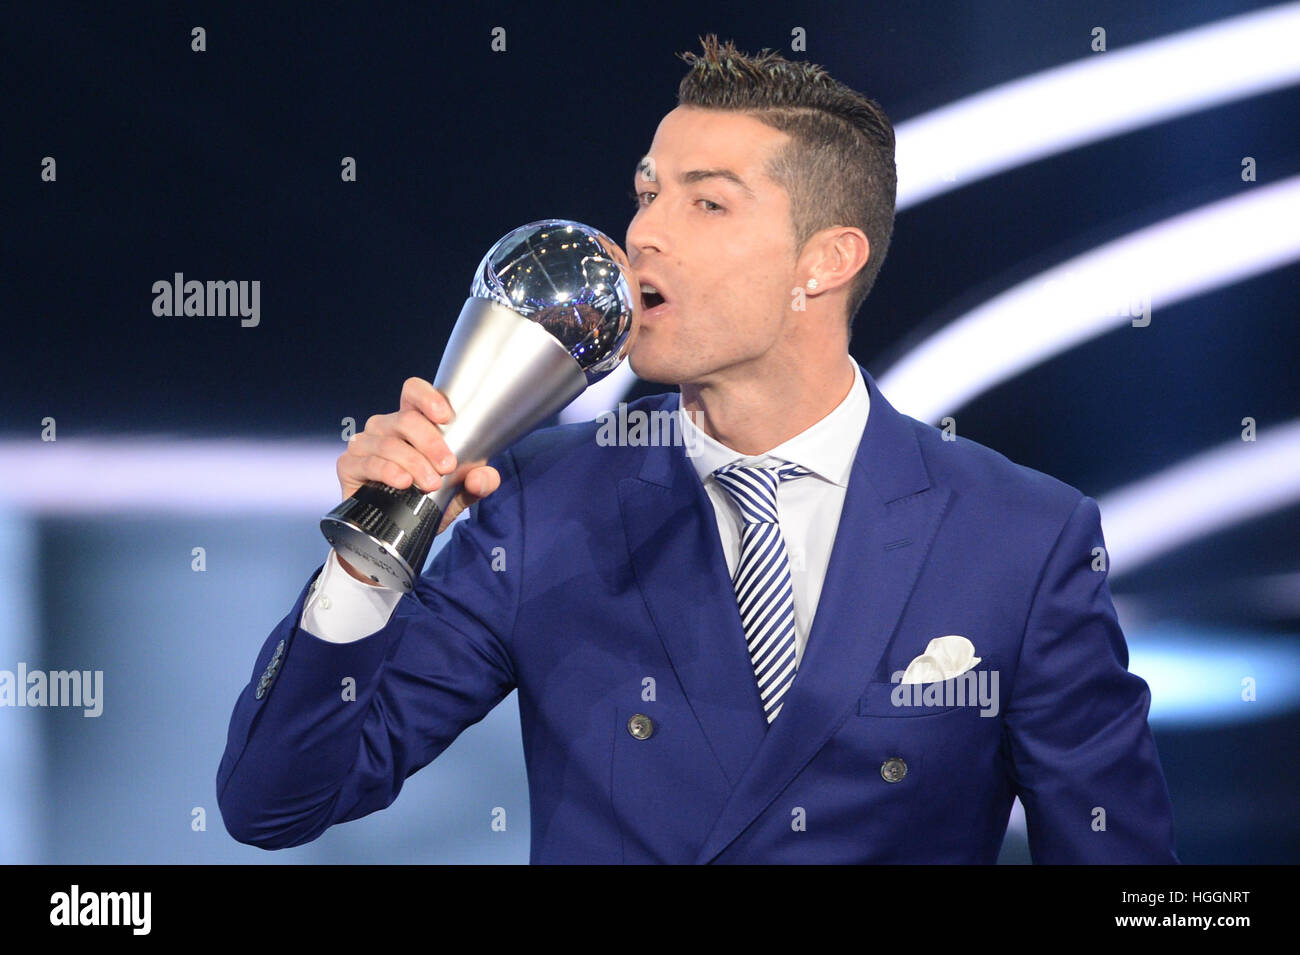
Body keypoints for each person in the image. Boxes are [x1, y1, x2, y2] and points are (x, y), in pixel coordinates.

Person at [217, 35, 1178, 864]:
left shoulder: (1019, 537)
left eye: (705, 204)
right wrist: (372, 556)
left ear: (826, 261)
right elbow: (278, 803)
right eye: (646, 194)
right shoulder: (540, 501)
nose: (642, 235)